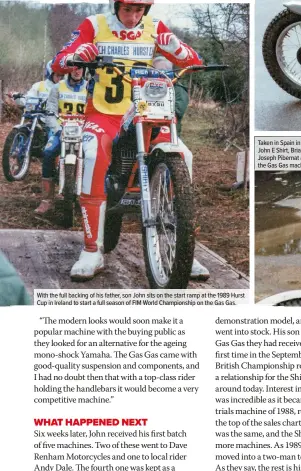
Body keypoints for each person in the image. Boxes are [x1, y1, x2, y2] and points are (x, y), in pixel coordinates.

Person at [52, 0, 209, 281]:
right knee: (93, 155)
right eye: (127, 9)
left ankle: (184, 250)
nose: (133, 16)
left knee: (183, 155)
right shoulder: (95, 25)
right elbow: (59, 61)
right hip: (104, 114)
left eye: (139, 10)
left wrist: (177, 49)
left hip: (145, 110)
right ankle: (92, 250)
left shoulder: (154, 28)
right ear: (116, 6)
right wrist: (78, 54)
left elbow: (194, 62)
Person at [34, 67, 88, 214]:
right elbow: (50, 112)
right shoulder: (58, 88)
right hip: (62, 130)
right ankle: (47, 200)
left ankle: (88, 198)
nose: (77, 72)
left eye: (80, 69)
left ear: (84, 70)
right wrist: (58, 129)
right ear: (69, 70)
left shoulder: (90, 88)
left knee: (92, 157)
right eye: (75, 68)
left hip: (84, 132)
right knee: (48, 152)